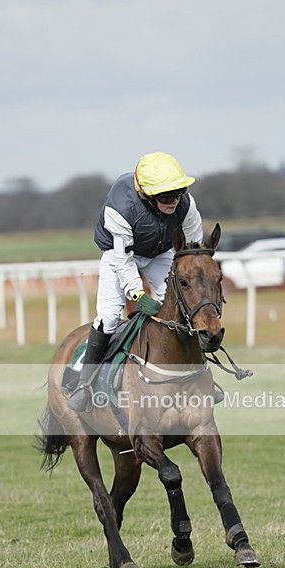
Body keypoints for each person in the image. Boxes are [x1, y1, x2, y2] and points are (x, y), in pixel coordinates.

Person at [68, 151, 204, 412]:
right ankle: (84, 385)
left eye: (177, 193)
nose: (173, 201)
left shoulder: (186, 204)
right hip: (120, 256)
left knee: (183, 309)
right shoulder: (121, 207)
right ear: (147, 195)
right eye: (165, 197)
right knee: (108, 318)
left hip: (160, 253)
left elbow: (193, 246)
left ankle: (197, 376)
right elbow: (121, 260)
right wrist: (139, 296)